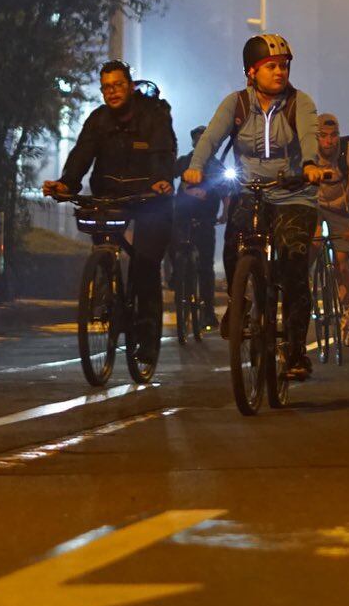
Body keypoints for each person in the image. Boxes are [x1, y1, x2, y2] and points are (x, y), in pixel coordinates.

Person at [183, 33, 331, 380]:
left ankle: (295, 353)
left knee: (294, 266)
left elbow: (309, 135)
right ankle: (240, 302)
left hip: (294, 192)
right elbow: (211, 138)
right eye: (271, 66)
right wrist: (196, 165)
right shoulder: (235, 104)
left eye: (284, 66)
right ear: (252, 72)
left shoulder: (300, 103)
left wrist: (309, 164)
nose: (280, 72)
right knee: (234, 243)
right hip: (251, 188)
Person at [44, 61, 176, 376]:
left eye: (118, 85)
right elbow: (81, 155)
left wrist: (161, 180)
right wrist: (66, 184)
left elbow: (164, 153)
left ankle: (146, 336)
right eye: (106, 87)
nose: (112, 92)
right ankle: (107, 287)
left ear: (130, 86)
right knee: (102, 245)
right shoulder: (98, 120)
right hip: (109, 196)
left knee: (145, 264)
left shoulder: (154, 116)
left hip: (149, 198)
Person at [312, 114, 349, 345]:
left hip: (341, 211)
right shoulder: (307, 149)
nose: (329, 141)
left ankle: (345, 318)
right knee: (309, 248)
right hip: (313, 206)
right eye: (323, 136)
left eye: (333, 135)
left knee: (341, 262)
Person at [173, 125, 231, 331]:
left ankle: (207, 312)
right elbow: (167, 176)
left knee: (206, 266)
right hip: (182, 217)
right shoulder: (184, 161)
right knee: (174, 251)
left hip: (206, 220)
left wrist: (225, 213)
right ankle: (175, 279)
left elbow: (226, 193)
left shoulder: (216, 167)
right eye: (197, 139)